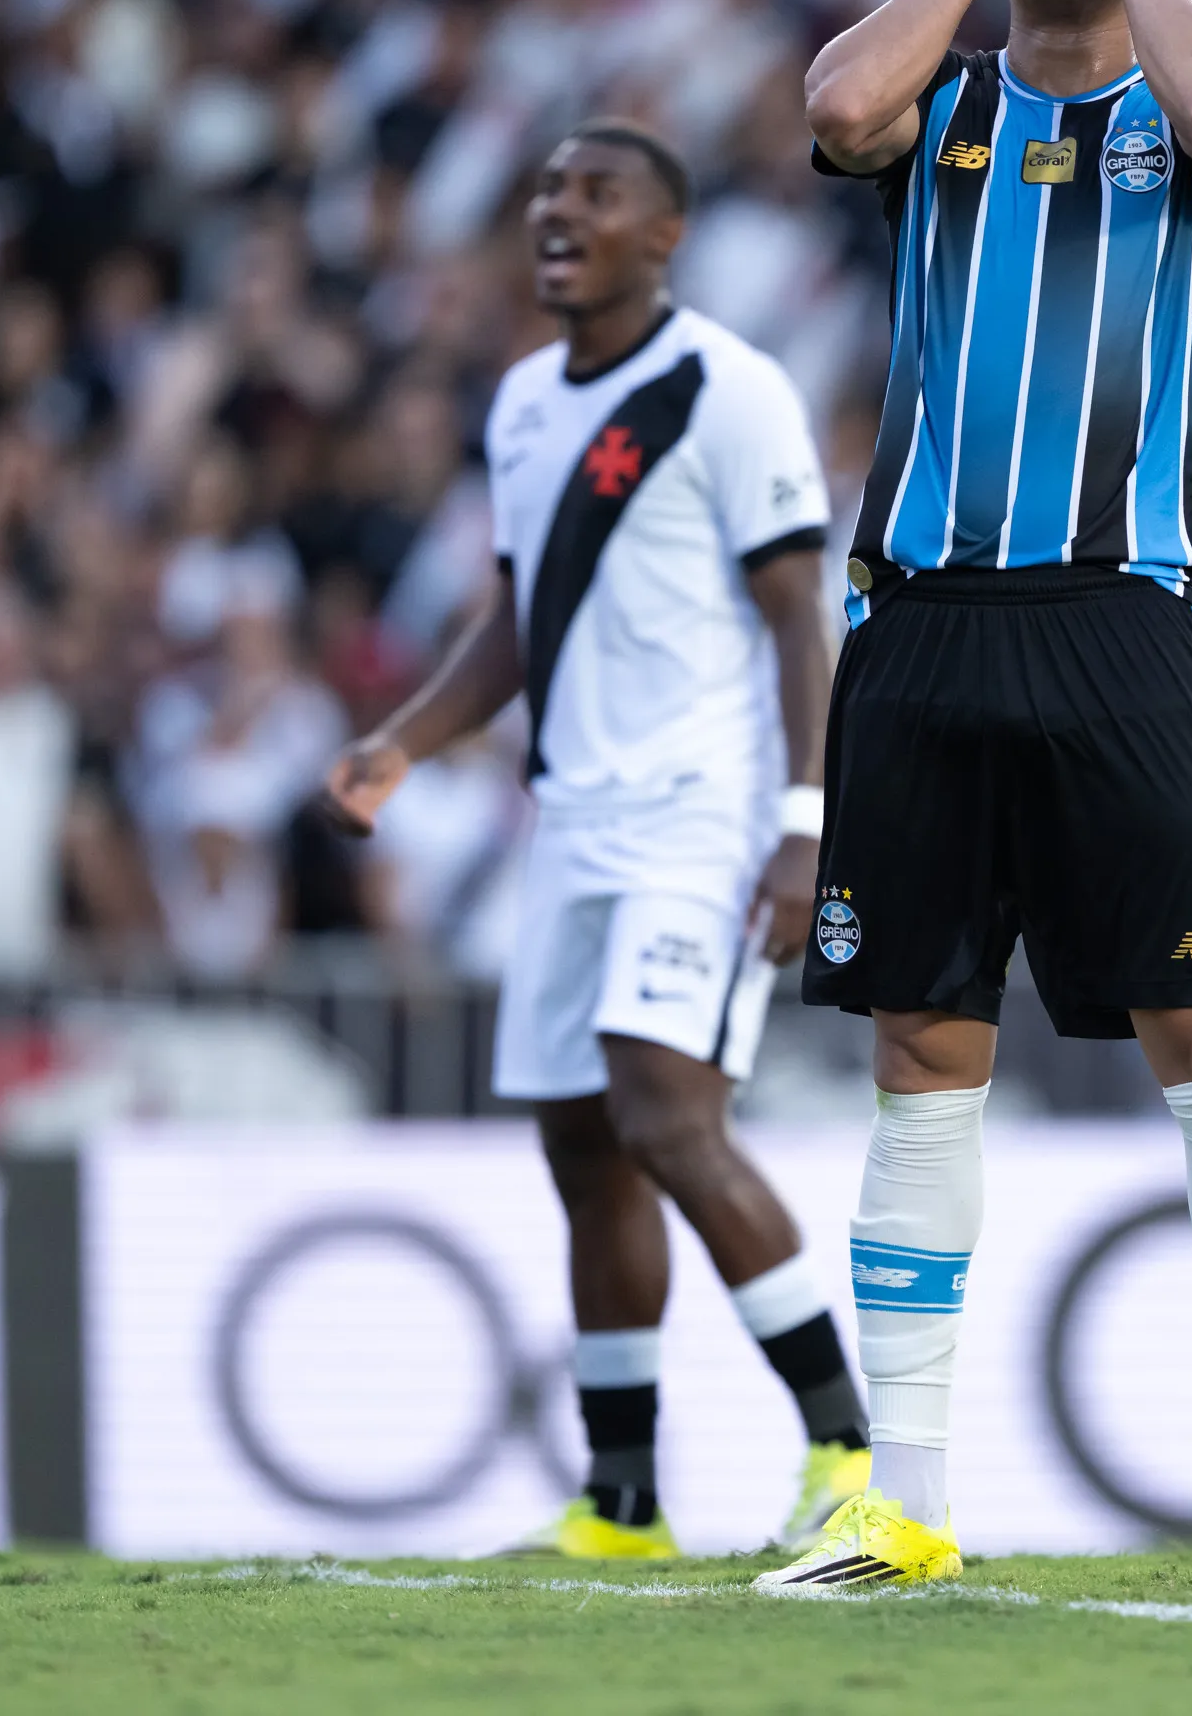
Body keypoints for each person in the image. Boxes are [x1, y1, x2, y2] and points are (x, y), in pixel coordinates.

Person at [767, 0, 1192, 1589]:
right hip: (927, 629)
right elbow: (832, 107)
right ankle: (907, 1504)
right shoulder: (943, 110)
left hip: (1124, 624)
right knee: (922, 1054)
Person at [321, 122, 871, 1561]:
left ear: (665, 234)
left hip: (703, 815)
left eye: (596, 193)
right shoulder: (520, 406)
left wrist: (807, 828)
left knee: (667, 1118)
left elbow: (797, 622)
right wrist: (404, 742)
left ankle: (849, 1454)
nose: (557, 210)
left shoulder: (727, 391)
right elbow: (520, 619)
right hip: (566, 824)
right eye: (549, 189)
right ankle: (623, 1500)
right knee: (584, 1151)